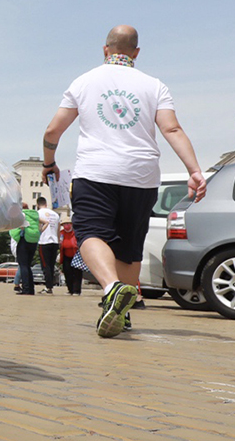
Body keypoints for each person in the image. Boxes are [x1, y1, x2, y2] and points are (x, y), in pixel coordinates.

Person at [42, 25, 206, 337]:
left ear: (105, 50)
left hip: (96, 172)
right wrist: (194, 170)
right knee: (129, 248)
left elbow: (53, 131)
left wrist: (49, 162)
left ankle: (111, 288)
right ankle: (123, 314)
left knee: (90, 232)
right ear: (136, 52)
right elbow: (172, 129)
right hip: (142, 176)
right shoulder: (154, 85)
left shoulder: (85, 81)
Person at [15, 203, 40, 295]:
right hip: (33, 242)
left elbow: (21, 226)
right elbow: (43, 223)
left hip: (24, 240)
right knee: (28, 265)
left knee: (23, 265)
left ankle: (26, 289)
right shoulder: (34, 215)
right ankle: (31, 289)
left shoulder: (22, 215)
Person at [36, 196, 60, 294]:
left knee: (45, 265)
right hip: (54, 241)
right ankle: (50, 285)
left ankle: (48, 286)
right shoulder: (55, 214)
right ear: (46, 204)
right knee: (51, 264)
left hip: (44, 241)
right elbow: (58, 229)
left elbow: (38, 227)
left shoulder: (38, 213)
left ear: (37, 205)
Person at [59, 219, 82, 295]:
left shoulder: (76, 232)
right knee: (67, 272)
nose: (66, 225)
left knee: (77, 273)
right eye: (64, 224)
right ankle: (70, 290)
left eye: (68, 223)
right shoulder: (61, 233)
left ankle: (76, 290)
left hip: (76, 255)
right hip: (65, 255)